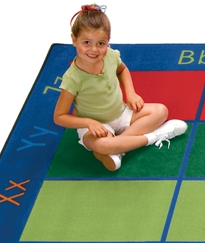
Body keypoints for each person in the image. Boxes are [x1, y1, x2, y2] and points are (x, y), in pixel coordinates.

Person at [52, 4, 188, 171]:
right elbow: (59, 117)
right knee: (103, 144)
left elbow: (122, 70)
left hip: (122, 113)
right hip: (97, 126)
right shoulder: (72, 78)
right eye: (86, 42)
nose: (94, 49)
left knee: (161, 111)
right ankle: (152, 137)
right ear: (74, 39)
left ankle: (118, 147)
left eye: (101, 43)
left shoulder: (110, 55)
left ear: (108, 41)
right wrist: (89, 122)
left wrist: (131, 93)